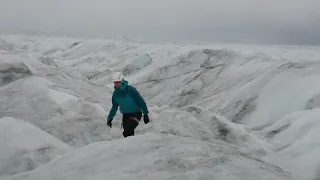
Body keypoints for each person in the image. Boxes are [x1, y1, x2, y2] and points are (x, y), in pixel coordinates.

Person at [106, 72, 150, 138]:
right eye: (115, 82)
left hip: (136, 113)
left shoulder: (130, 90)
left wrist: (145, 114)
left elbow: (140, 101)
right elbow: (114, 106)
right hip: (125, 115)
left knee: (128, 131)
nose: (116, 84)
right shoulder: (115, 94)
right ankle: (131, 146)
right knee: (127, 134)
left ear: (122, 81)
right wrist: (110, 118)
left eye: (118, 82)